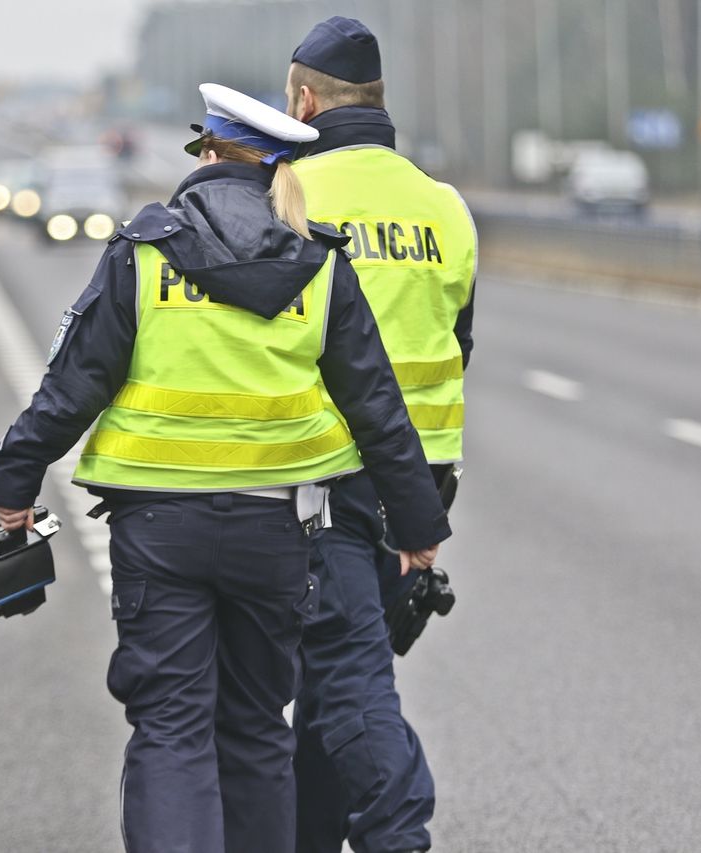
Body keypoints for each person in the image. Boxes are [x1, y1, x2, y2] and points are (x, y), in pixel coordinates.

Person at [0, 83, 450, 853]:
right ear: (277, 168)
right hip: (276, 532)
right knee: (257, 730)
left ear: (207, 153)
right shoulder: (319, 265)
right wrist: (416, 523)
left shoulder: (146, 249)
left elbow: (75, 381)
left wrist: (14, 478)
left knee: (171, 726)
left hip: (160, 534)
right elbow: (376, 404)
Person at [283, 17, 478, 853]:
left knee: (346, 682)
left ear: (303, 99)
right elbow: (458, 347)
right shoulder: (444, 207)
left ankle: (401, 835)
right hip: (420, 488)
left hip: (324, 479)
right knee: (339, 683)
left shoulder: (293, 192)